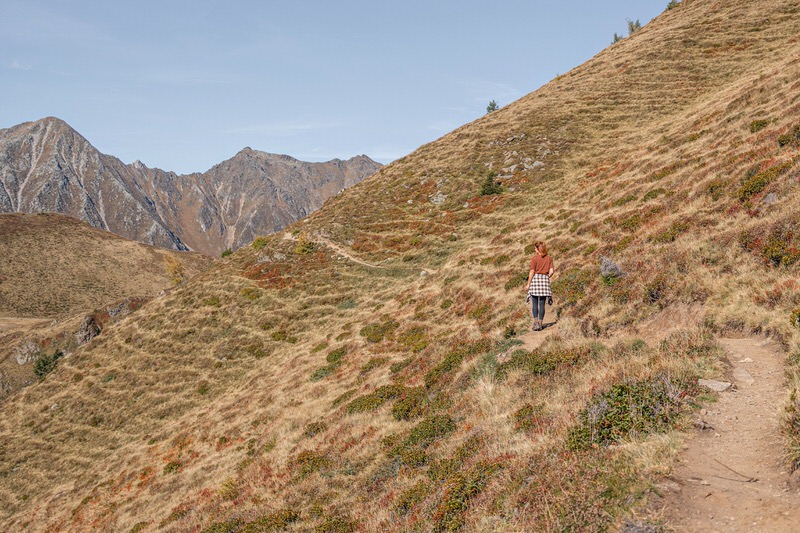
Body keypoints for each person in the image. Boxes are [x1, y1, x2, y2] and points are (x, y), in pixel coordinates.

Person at [524, 241, 554, 331]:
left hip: (536, 280)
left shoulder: (534, 259)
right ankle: (540, 324)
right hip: (544, 281)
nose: (534, 249)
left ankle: (535, 323)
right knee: (542, 304)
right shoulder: (549, 258)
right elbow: (552, 271)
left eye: (535, 248)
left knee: (534, 304)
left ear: (538, 249)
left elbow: (532, 272)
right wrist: (546, 277)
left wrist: (528, 284)